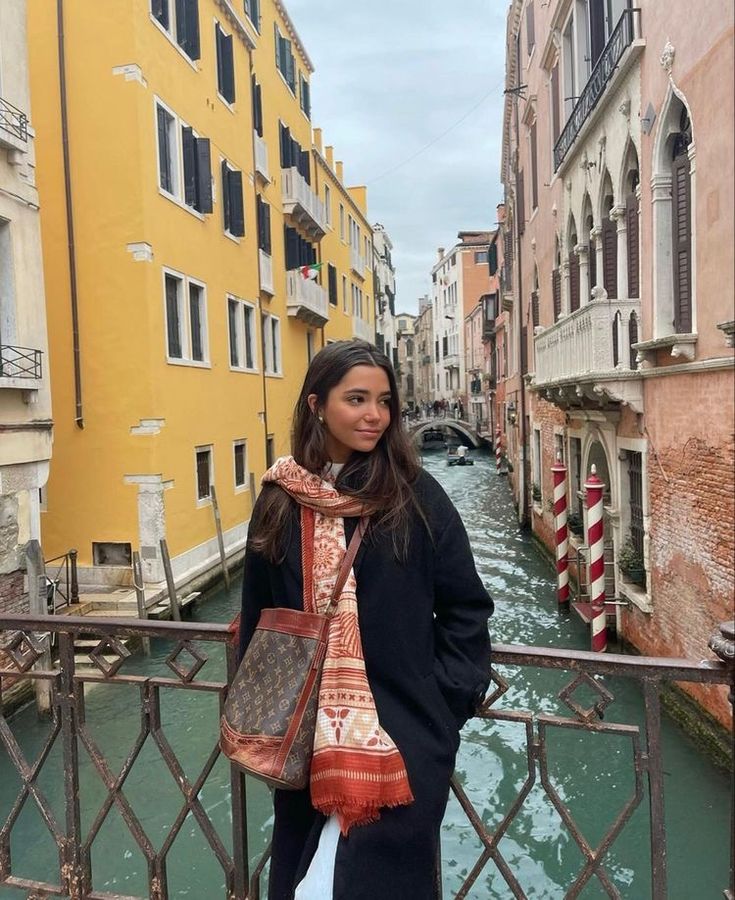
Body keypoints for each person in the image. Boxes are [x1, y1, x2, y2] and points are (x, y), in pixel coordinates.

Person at [238, 340, 493, 900]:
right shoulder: (280, 501)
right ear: (316, 405)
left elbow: (466, 608)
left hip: (402, 743)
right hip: (304, 742)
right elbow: (257, 618)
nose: (375, 415)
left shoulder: (416, 497)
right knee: (306, 881)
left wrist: (443, 709)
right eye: (356, 399)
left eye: (384, 400)